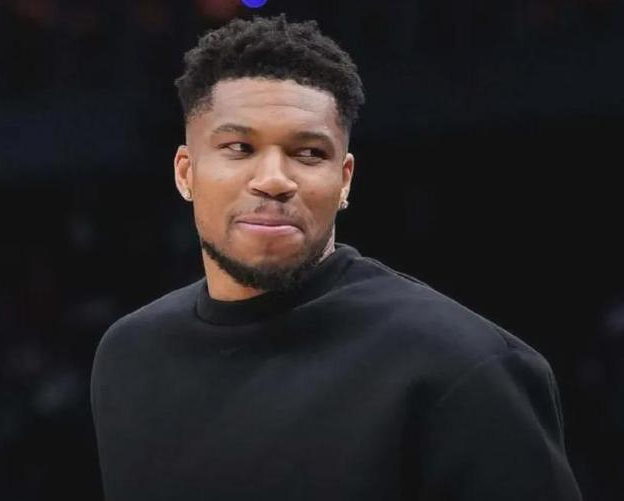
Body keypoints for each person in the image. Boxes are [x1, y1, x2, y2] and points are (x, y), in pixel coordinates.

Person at [91, 14, 583, 501]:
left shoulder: (463, 367)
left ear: (344, 180)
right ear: (185, 172)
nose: (274, 179)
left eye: (308, 153)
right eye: (239, 147)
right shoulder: (129, 357)